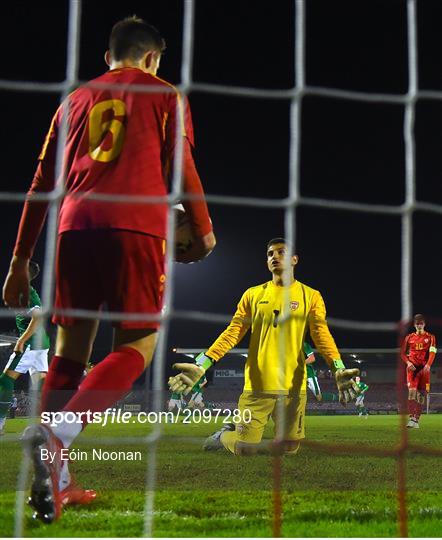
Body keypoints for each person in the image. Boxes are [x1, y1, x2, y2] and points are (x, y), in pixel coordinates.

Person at [2, 16, 215, 523]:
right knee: (138, 345)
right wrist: (203, 228)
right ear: (151, 59)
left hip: (72, 229)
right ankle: (58, 435)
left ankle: (59, 475)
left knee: (69, 349)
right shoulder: (165, 95)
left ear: (107, 57)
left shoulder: (71, 101)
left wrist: (18, 260)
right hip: (134, 223)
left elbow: (38, 185)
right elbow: (181, 167)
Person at [169, 238, 359, 456]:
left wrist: (338, 366)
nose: (275, 257)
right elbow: (232, 333)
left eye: (281, 252)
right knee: (245, 449)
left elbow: (321, 335)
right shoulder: (253, 295)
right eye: (270, 254)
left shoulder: (311, 296)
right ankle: (223, 436)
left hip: (293, 386)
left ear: (295, 260)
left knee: (289, 449)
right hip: (258, 383)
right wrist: (202, 363)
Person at [0, 261, 50, 436]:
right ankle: (52, 426)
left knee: (4, 381)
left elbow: (38, 318)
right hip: (41, 344)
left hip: (31, 343)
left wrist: (21, 340)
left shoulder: (28, 293)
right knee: (42, 387)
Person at [400, 314, 437, 429]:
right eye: (417, 324)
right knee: (411, 392)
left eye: (421, 323)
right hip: (412, 369)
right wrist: (408, 363)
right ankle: (411, 418)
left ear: (424, 324)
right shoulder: (409, 338)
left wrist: (429, 365)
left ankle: (416, 420)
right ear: (414, 325)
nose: (419, 325)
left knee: (421, 396)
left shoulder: (431, 337)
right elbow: (402, 353)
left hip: (424, 370)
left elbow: (432, 352)